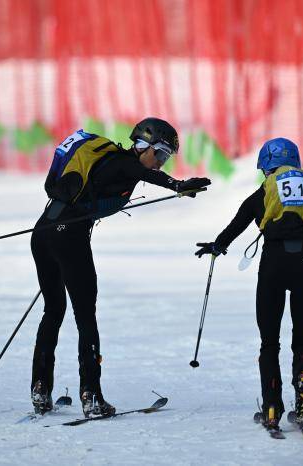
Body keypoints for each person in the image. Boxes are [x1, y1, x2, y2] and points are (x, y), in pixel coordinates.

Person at [31, 117, 211, 417]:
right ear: (144, 146)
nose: (161, 163)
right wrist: (178, 185)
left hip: (43, 233)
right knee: (85, 316)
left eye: (166, 158)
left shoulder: (113, 163)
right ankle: (91, 396)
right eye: (161, 154)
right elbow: (144, 174)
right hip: (68, 238)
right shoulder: (124, 163)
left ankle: (40, 389)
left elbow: (137, 175)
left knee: (53, 310)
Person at [194, 137, 303, 432]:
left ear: (267, 166)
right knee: (302, 342)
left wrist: (217, 247)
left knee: (269, 342)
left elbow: (237, 224)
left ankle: (272, 408)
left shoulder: (264, 192)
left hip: (274, 265)